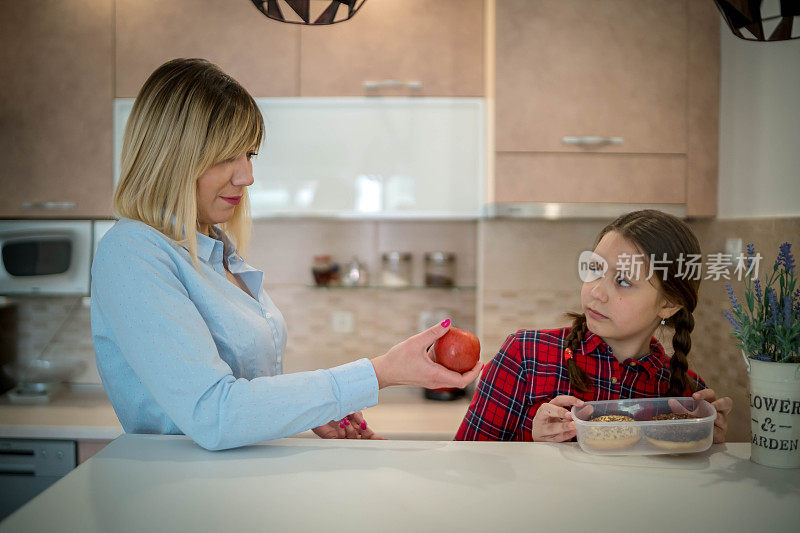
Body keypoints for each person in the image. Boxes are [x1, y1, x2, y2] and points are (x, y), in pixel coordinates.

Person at [91, 58, 480, 451]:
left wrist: (316, 408)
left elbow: (247, 392)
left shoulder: (217, 252)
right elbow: (215, 413)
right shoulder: (132, 253)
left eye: (249, 155)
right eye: (227, 156)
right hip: (179, 498)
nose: (247, 177)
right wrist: (380, 372)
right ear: (170, 157)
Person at [455, 210, 733, 442]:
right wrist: (531, 443)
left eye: (623, 281)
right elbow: (468, 465)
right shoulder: (525, 355)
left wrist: (708, 447)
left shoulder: (687, 397)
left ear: (669, 304)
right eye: (595, 269)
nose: (596, 292)